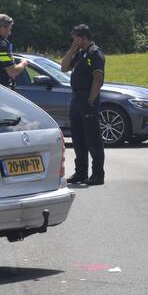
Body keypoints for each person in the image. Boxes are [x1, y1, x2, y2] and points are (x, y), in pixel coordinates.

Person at [60, 24, 105, 186]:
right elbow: (63, 67)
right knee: (78, 139)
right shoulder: (79, 54)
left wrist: (91, 100)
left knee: (93, 139)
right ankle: (81, 172)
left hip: (88, 99)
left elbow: (97, 79)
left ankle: (98, 174)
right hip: (76, 99)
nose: (74, 41)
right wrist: (72, 50)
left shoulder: (95, 54)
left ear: (82, 38)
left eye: (75, 38)